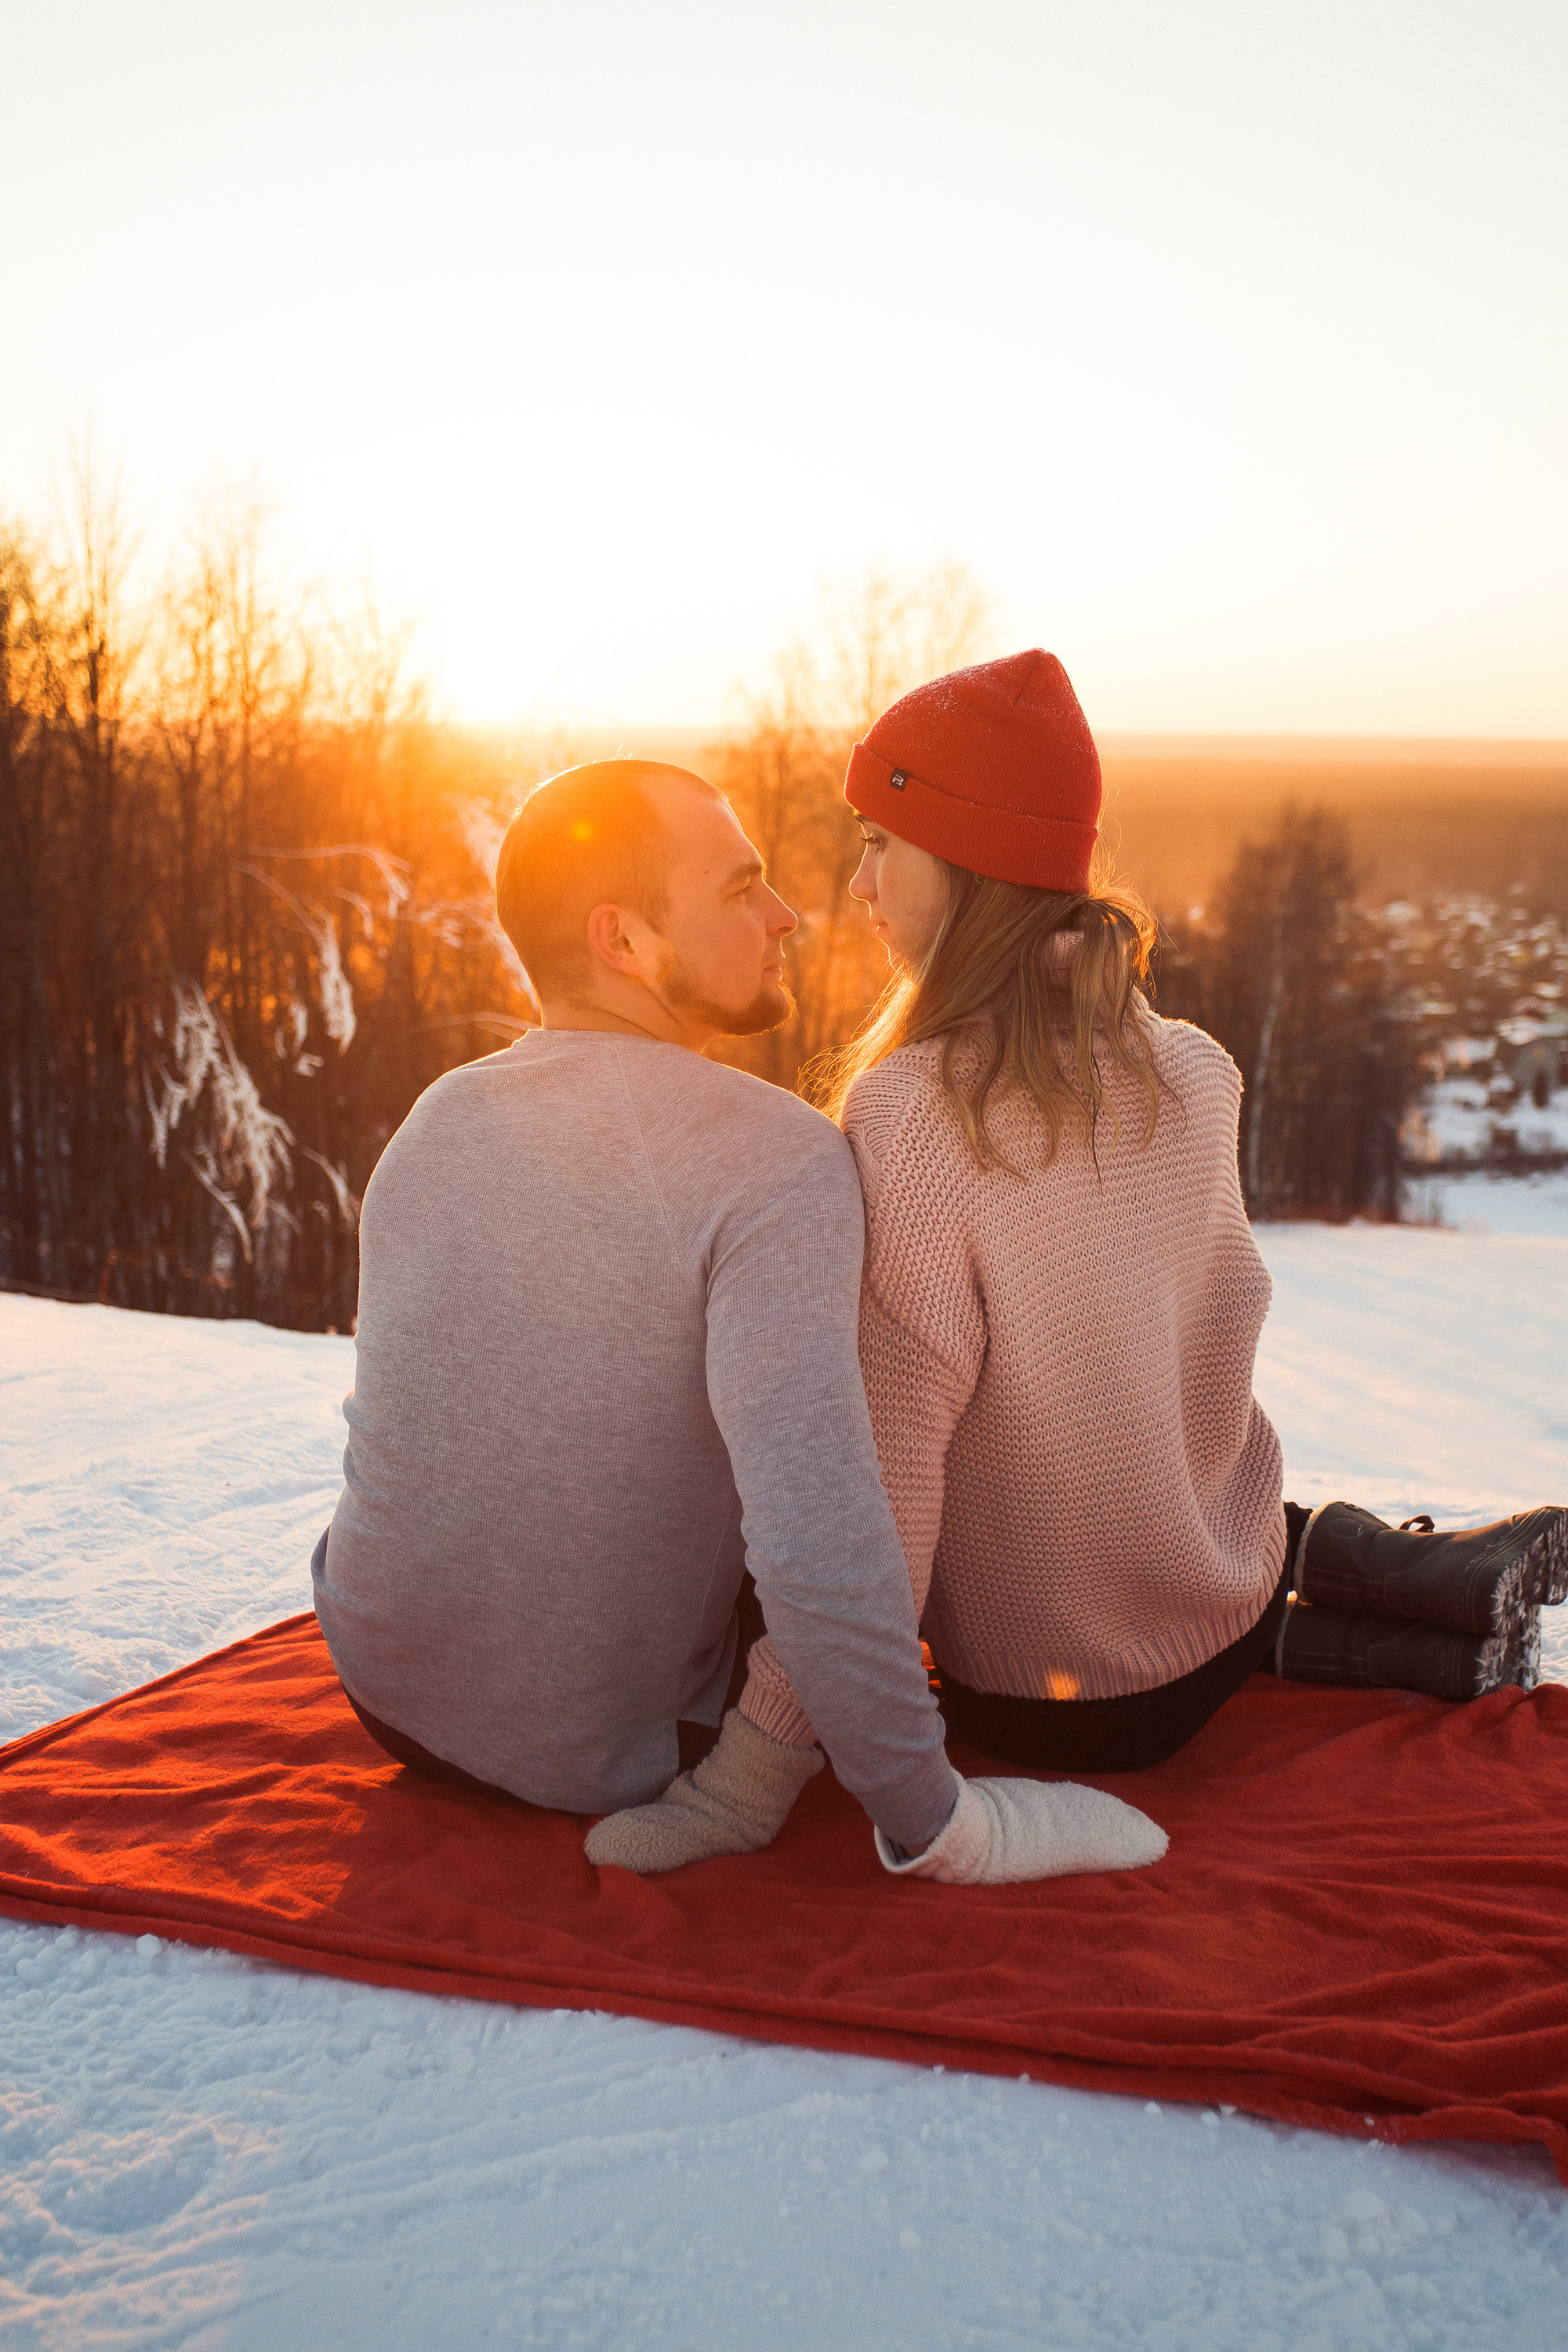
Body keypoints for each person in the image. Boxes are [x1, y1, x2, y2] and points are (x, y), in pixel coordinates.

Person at [594, 652, 1566, 1864]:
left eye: (883, 845)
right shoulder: (1192, 1066)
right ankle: (1420, 1608)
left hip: (1051, 1705)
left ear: (967, 867)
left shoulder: (913, 1118)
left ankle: (1402, 1610)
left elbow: (875, 1502)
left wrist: (747, 1780)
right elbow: (1200, 1371)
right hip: (1218, 1604)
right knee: (1160, 1482)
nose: (857, 885)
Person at [312, 757, 1167, 1888]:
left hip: (385, 1694)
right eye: (739, 890)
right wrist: (936, 1816)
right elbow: (818, 1527)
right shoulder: (776, 1159)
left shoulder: (439, 1118)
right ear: (625, 941)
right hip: (610, 1751)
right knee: (897, 1475)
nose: (788, 915)